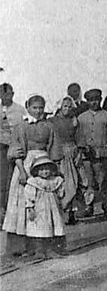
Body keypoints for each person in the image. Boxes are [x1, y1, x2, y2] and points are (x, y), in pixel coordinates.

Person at [3, 95, 54, 257]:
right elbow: (16, 151)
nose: (38, 111)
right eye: (35, 108)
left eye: (40, 108)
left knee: (42, 204)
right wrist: (22, 172)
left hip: (44, 165)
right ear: (27, 107)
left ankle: (40, 244)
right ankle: (20, 246)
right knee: (23, 204)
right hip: (25, 165)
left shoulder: (48, 126)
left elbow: (53, 149)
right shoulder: (21, 127)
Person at [76, 89, 107, 219]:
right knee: (88, 182)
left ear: (100, 100)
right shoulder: (81, 118)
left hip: (102, 155)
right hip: (86, 156)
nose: (94, 102)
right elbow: (78, 136)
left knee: (104, 182)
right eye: (90, 100)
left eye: (96, 99)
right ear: (87, 101)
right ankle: (89, 207)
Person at [48, 97, 84, 225]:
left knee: (73, 183)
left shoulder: (74, 121)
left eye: (69, 107)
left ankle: (71, 215)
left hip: (72, 153)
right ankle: (59, 214)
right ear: (59, 107)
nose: (67, 109)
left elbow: (79, 138)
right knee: (61, 184)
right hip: (58, 154)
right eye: (65, 106)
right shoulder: (52, 121)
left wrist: (79, 153)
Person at [24, 156, 66, 259]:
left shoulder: (55, 180)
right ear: (36, 171)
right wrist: (30, 208)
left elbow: (60, 193)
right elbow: (29, 196)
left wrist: (61, 194)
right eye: (41, 170)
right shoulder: (34, 182)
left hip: (53, 208)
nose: (45, 172)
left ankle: (52, 249)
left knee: (54, 225)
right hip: (40, 209)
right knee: (40, 228)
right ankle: (40, 250)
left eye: (47, 169)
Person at [1, 83, 27, 222]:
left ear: (13, 94)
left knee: (15, 178)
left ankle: (15, 211)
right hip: (1, 148)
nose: (5, 96)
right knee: (2, 179)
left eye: (8, 94)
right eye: (2, 93)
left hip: (16, 147)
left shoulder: (20, 109)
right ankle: (2, 210)